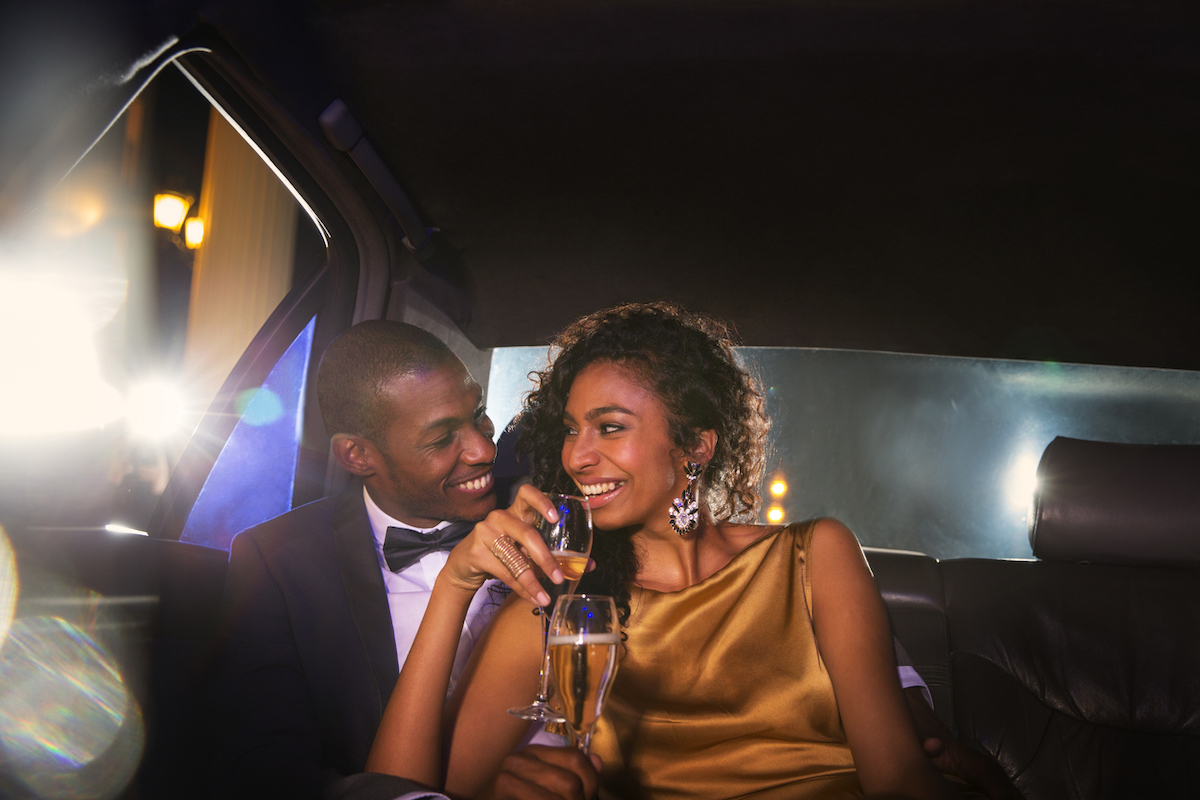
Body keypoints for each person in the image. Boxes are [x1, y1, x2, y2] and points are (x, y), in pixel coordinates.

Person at [366, 302, 1019, 799]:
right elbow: (408, 791)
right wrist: (455, 584)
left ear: (696, 445)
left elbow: (898, 775)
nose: (577, 455)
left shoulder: (816, 553)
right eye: (570, 431)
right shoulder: (569, 609)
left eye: (610, 428)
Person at [209, 320, 599, 800]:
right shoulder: (278, 562)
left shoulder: (545, 513)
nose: (482, 450)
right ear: (357, 455)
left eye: (478, 415)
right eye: (441, 440)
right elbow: (262, 771)